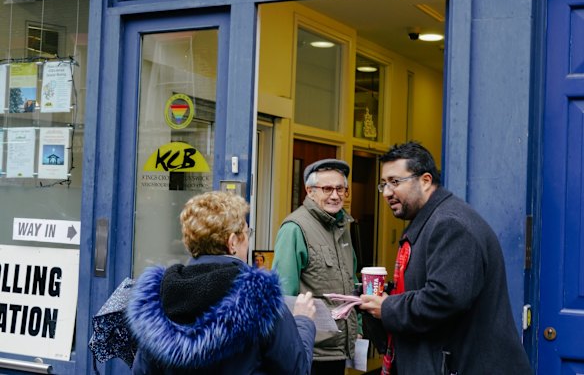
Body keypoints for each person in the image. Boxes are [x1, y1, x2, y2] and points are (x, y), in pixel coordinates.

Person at [359, 141, 532, 374]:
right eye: (384, 184)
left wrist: (388, 307)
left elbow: (444, 299)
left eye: (395, 182)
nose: (387, 192)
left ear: (426, 180)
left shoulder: (450, 224)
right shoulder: (432, 220)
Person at [127, 191, 317, 374]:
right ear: (232, 242)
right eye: (246, 233)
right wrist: (304, 322)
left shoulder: (157, 299)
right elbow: (297, 369)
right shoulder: (261, 299)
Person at [272, 158, 359, 375]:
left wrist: (357, 328)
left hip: (338, 350)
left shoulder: (342, 226)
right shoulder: (294, 228)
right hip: (310, 350)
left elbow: (351, 283)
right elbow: (284, 296)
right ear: (310, 191)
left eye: (341, 189)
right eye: (327, 189)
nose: (335, 195)